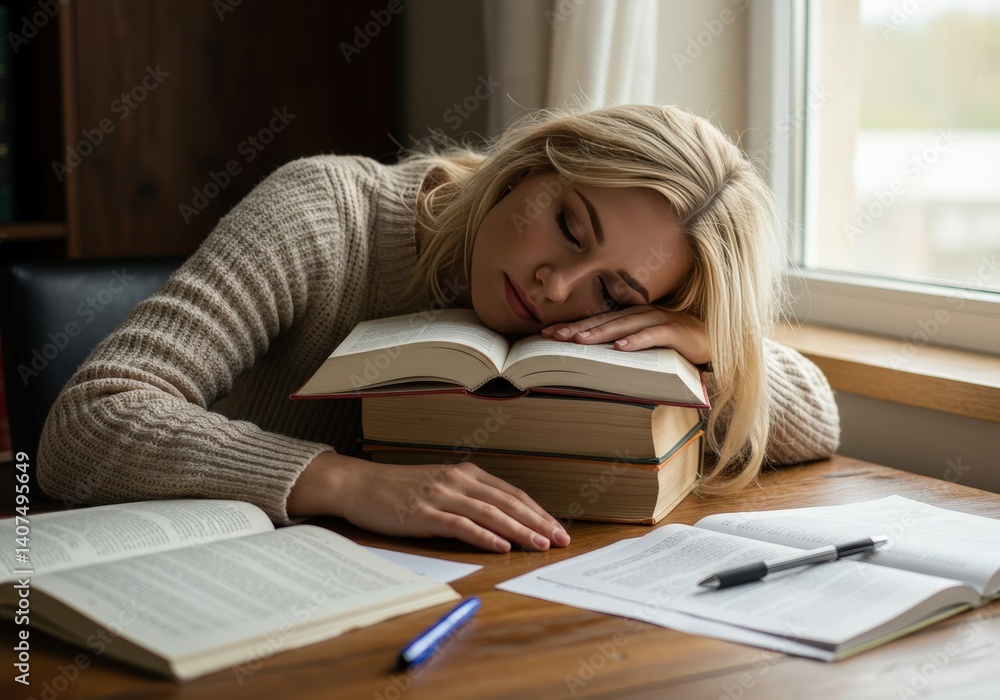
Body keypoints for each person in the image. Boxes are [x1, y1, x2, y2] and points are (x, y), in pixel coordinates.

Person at [38, 104, 840, 554]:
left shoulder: (599, 331)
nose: (555, 287)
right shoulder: (325, 215)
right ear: (533, 165)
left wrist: (709, 343)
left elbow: (817, 423)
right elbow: (87, 423)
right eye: (567, 224)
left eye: (613, 290)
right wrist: (348, 483)